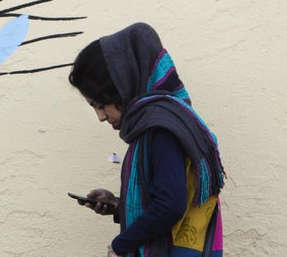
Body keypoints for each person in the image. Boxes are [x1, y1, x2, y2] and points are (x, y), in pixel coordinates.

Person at [68, 22, 225, 257]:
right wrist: (118, 206)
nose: (101, 116)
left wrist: (119, 246)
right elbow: (172, 197)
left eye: (101, 105)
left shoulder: (161, 128)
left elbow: (170, 206)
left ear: (121, 88)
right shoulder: (162, 121)